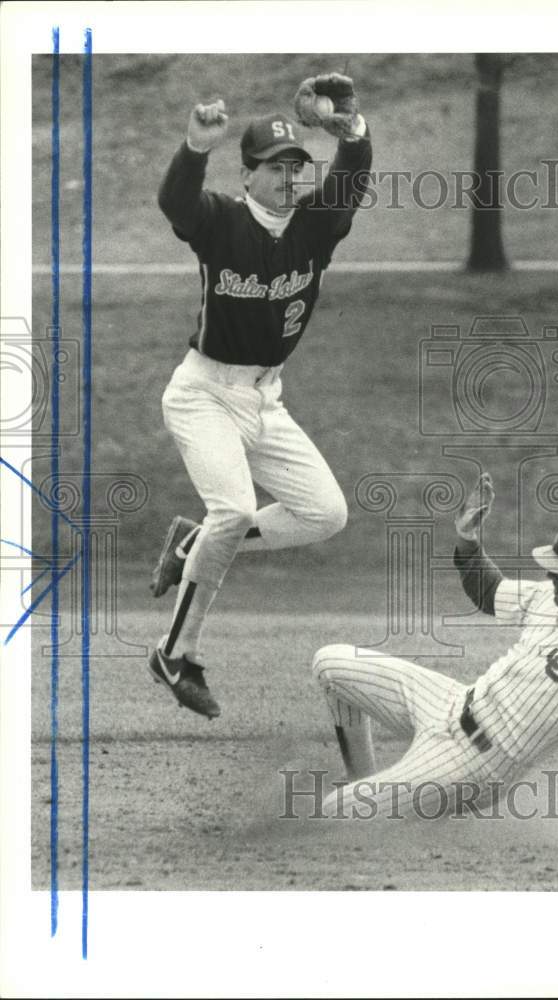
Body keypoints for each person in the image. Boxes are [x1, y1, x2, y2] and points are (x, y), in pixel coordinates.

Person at [148, 74, 372, 719]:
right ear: (246, 175)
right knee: (233, 508)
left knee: (324, 514)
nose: (288, 176)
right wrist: (195, 147)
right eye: (275, 166)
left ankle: (193, 547)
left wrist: (351, 132)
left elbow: (352, 177)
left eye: (296, 165)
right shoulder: (220, 220)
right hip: (203, 392)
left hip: (265, 400)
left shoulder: (316, 227)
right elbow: (175, 205)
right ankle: (174, 652)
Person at [312, 473, 558, 843]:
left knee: (332, 813)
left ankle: (382, 806)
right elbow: (489, 591)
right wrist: (468, 538)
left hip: (473, 765)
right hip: (446, 702)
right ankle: (368, 784)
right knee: (329, 663)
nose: (550, 575)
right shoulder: (551, 599)